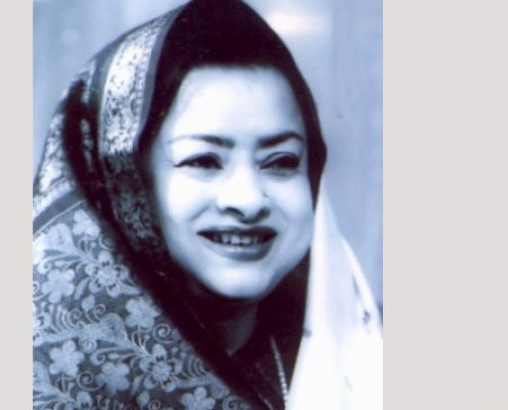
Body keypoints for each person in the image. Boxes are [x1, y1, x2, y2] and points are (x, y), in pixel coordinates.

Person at [33, 0, 382, 409]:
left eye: (281, 162)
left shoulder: (368, 358)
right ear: (126, 184)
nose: (248, 200)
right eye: (203, 161)